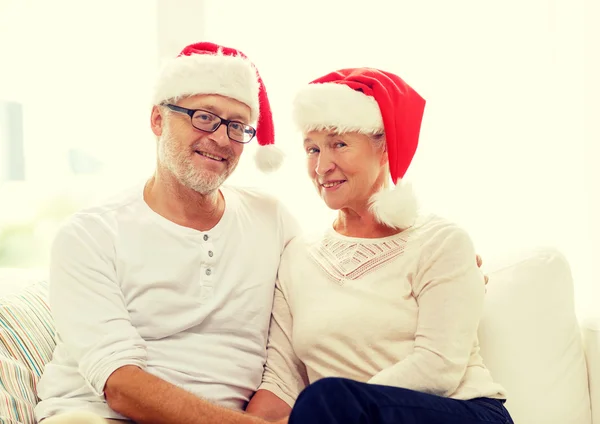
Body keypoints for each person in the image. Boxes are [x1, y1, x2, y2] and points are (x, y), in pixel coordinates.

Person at [35, 42, 296, 424]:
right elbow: (119, 384)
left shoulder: (272, 219)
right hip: (98, 416)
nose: (222, 139)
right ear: (158, 119)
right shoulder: (90, 233)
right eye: (204, 117)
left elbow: (286, 359)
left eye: (237, 125)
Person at [245, 68, 514, 424]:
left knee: (330, 398)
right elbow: (281, 382)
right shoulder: (297, 256)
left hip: (461, 412)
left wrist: (340, 410)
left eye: (339, 144)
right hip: (336, 414)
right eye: (312, 149)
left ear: (384, 147)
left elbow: (438, 368)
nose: (322, 166)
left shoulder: (441, 241)